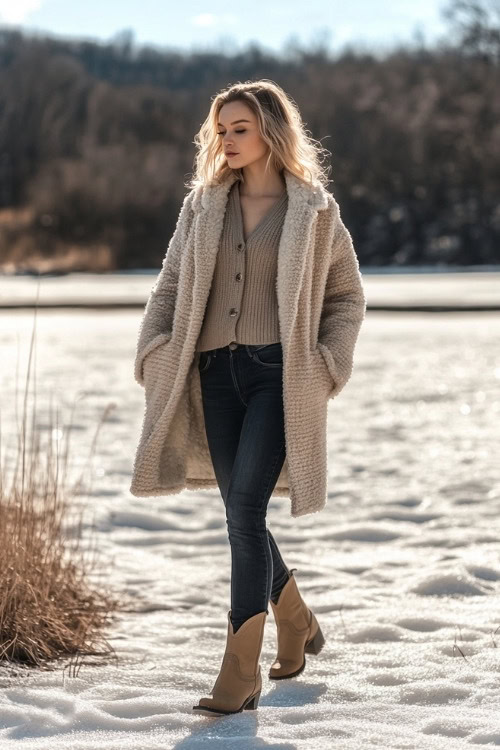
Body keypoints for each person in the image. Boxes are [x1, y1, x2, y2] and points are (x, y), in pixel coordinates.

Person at [130, 79, 366, 716]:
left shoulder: (314, 210)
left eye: (240, 128)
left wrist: (326, 364)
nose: (227, 140)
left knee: (243, 509)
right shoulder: (202, 207)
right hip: (213, 375)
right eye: (221, 129)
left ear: (270, 130)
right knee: (244, 515)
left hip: (276, 378)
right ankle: (295, 620)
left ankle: (240, 673)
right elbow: (170, 286)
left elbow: (346, 298)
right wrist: (153, 350)